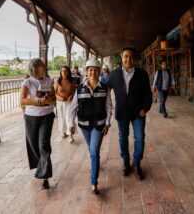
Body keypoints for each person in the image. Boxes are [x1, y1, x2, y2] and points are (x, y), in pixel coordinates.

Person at [69, 57, 112, 194]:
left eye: (95, 70)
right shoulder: (80, 88)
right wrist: (71, 124)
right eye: (90, 70)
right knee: (91, 148)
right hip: (84, 125)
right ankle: (95, 165)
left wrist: (108, 123)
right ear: (86, 72)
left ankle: (94, 182)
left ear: (99, 72)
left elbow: (109, 106)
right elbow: (73, 108)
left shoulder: (104, 88)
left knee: (94, 151)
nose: (92, 72)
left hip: (99, 125)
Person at [108, 47, 152, 180]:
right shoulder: (114, 75)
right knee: (123, 137)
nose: (128, 59)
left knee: (139, 138)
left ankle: (137, 163)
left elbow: (148, 94)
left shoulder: (142, 74)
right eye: (126, 56)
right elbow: (103, 89)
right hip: (122, 113)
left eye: (131, 57)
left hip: (138, 113)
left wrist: (145, 108)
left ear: (134, 59)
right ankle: (126, 162)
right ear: (122, 58)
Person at [20, 58, 56, 190]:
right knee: (33, 144)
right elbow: (23, 100)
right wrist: (38, 101)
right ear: (35, 68)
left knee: (44, 145)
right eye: (41, 66)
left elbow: (54, 98)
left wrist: (49, 99)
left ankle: (45, 176)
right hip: (31, 117)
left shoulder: (48, 80)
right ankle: (41, 167)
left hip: (46, 116)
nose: (44, 67)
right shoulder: (27, 82)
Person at [54, 65, 76, 143]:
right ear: (60, 72)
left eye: (66, 71)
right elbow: (54, 92)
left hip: (69, 102)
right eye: (62, 71)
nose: (64, 73)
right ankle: (63, 131)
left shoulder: (72, 81)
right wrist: (59, 98)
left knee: (69, 118)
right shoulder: (58, 81)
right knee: (61, 118)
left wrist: (71, 95)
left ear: (68, 72)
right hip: (60, 103)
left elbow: (75, 92)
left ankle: (70, 135)